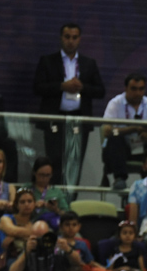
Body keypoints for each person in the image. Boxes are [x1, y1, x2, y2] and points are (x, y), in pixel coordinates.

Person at [33, 22, 106, 185]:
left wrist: (83, 87)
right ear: (61, 38)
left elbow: (100, 91)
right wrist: (61, 86)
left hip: (79, 120)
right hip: (55, 118)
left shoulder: (89, 63)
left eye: (74, 37)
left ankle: (69, 203)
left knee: (75, 163)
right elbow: (37, 87)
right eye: (67, 37)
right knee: (54, 161)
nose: (70, 41)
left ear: (80, 39)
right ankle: (53, 198)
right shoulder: (48, 61)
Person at [102, 72, 147, 189]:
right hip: (123, 150)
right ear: (125, 88)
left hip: (145, 148)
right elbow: (107, 130)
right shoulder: (115, 103)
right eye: (134, 89)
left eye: (141, 89)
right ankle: (120, 179)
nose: (138, 93)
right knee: (114, 138)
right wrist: (132, 128)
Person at [0, 188, 36, 271]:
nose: (26, 204)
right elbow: (12, 231)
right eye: (22, 202)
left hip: (25, 256)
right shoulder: (6, 219)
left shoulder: (35, 222)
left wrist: (17, 236)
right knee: (28, 265)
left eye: (30, 201)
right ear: (16, 205)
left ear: (34, 204)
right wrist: (32, 234)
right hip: (2, 260)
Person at [27, 156, 70, 231]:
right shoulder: (26, 189)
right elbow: (17, 209)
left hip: (53, 224)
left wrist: (56, 209)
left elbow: (67, 215)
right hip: (31, 224)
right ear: (34, 173)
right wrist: (33, 206)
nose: (44, 178)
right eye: (41, 175)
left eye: (48, 175)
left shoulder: (56, 191)